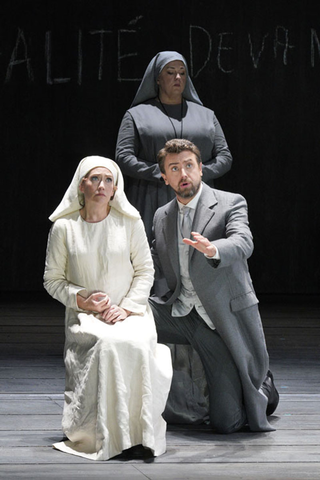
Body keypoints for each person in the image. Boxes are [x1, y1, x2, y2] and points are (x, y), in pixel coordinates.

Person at [43, 156, 172, 460]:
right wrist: (81, 298)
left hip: (130, 311)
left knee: (137, 343)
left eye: (108, 180)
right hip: (86, 315)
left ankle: (138, 434)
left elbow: (145, 271)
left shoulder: (130, 222)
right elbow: (52, 279)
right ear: (81, 184)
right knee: (109, 344)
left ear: (116, 188)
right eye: (94, 179)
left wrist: (126, 308)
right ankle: (99, 433)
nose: (101, 185)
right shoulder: (64, 227)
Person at [149, 139, 279, 433]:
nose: (183, 173)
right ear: (164, 177)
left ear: (201, 169)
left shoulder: (230, 202)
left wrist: (213, 250)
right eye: (174, 168)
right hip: (180, 312)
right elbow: (153, 264)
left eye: (189, 166)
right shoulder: (161, 216)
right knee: (129, 311)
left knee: (226, 423)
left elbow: (243, 241)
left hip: (216, 321)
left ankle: (263, 389)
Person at [115, 50, 232, 245]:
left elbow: (225, 156)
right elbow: (124, 156)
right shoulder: (136, 115)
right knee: (156, 254)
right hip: (154, 194)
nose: (177, 77)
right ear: (158, 78)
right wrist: (165, 173)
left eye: (182, 72)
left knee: (200, 252)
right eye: (170, 72)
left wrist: (195, 174)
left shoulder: (206, 115)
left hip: (199, 195)